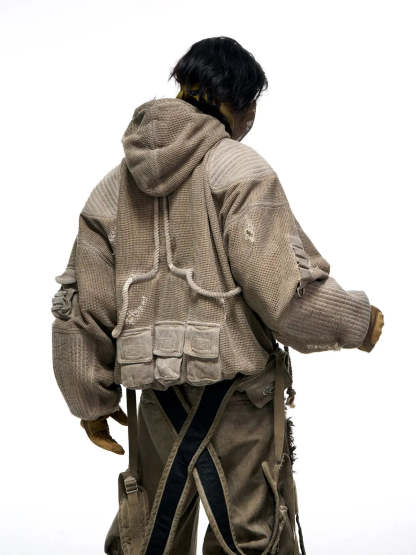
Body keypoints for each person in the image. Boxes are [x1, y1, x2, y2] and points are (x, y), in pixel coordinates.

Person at [51, 36, 384, 555]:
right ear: (240, 102)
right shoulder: (240, 171)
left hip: (155, 407)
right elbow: (285, 297)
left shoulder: (111, 190)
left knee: (148, 538)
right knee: (254, 539)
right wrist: (357, 320)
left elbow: (81, 309)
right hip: (241, 401)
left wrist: (88, 400)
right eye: (252, 108)